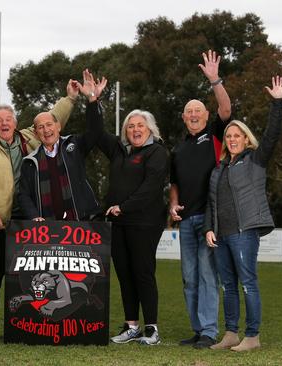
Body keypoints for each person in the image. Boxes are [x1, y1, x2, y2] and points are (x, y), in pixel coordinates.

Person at [0, 79, 76, 339]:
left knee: (31, 273)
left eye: (9, 119)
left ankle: (27, 322)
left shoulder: (28, 137)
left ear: (16, 123)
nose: (5, 123)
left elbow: (52, 119)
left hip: (31, 218)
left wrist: (71, 98)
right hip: (1, 218)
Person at [204, 76, 282, 352]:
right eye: (228, 136)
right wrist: (208, 228)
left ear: (245, 138)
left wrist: (277, 103)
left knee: (248, 284)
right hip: (222, 235)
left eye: (237, 135)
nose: (232, 139)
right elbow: (210, 203)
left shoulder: (255, 160)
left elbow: (273, 134)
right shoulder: (219, 169)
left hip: (244, 233)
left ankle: (252, 336)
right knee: (228, 286)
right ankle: (230, 333)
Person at [95, 73, 169, 346]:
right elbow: (96, 133)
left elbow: (150, 189)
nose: (135, 130)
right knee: (124, 274)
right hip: (119, 222)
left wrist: (122, 207)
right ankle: (131, 325)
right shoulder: (119, 150)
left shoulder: (157, 152)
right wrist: (94, 102)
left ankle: (152, 328)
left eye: (140, 126)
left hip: (144, 222)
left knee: (143, 272)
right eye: (130, 127)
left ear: (150, 129)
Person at [169, 50, 232, 349]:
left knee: (208, 276)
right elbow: (175, 184)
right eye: (188, 112)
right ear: (183, 118)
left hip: (209, 220)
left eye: (198, 111)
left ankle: (209, 330)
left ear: (206, 116)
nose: (193, 115)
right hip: (187, 222)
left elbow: (226, 107)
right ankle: (197, 329)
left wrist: (214, 80)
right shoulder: (178, 149)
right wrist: (172, 203)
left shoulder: (216, 135)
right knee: (189, 278)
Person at [18, 71, 103, 222]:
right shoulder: (30, 162)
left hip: (81, 223)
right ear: (36, 134)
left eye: (49, 124)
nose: (46, 130)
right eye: (41, 127)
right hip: (47, 228)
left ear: (58, 126)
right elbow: (24, 195)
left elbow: (95, 131)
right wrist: (34, 216)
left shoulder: (74, 145)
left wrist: (92, 98)